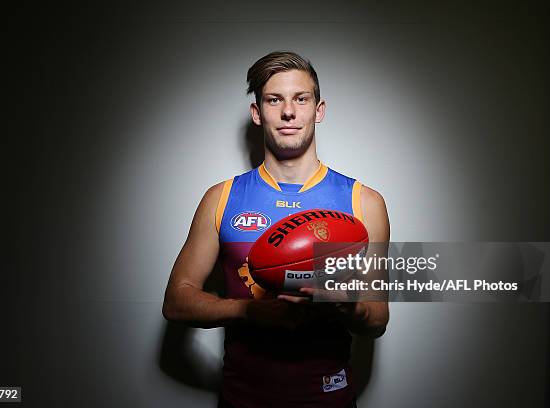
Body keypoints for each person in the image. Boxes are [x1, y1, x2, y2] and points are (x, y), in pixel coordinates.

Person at [163, 51, 390, 408]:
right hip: (243, 401)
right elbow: (176, 302)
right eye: (274, 100)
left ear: (319, 110)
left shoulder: (364, 202)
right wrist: (248, 311)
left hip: (329, 400)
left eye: (301, 99)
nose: (289, 111)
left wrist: (347, 306)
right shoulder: (221, 198)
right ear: (258, 113)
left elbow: (377, 318)